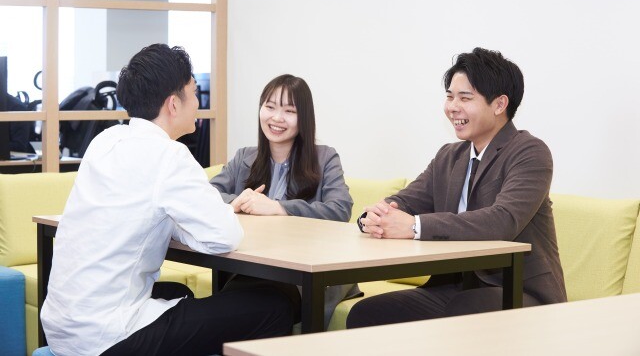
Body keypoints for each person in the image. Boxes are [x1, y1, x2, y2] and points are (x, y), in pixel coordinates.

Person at [41, 44, 294, 356]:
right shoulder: (169, 155)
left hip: (62, 327)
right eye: (194, 92)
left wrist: (182, 222)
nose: (198, 102)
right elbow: (225, 236)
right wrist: (196, 222)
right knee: (276, 306)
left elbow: (142, 211)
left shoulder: (105, 141)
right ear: (174, 103)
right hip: (106, 338)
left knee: (178, 291)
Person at [347, 47, 567, 328]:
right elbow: (408, 200)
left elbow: (502, 220)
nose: (452, 107)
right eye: (450, 96)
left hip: (518, 291)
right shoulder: (449, 156)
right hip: (454, 288)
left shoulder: (529, 152)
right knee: (366, 313)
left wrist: (413, 226)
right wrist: (375, 217)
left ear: (499, 104)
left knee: (464, 310)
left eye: (465, 98)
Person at [210, 74, 360, 329]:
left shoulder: (325, 158)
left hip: (303, 276)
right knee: (230, 310)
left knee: (248, 310)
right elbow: (207, 194)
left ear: (304, 118)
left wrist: (278, 207)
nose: (277, 118)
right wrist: (236, 202)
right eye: (270, 107)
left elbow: (340, 209)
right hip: (252, 269)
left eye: (289, 111)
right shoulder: (244, 157)